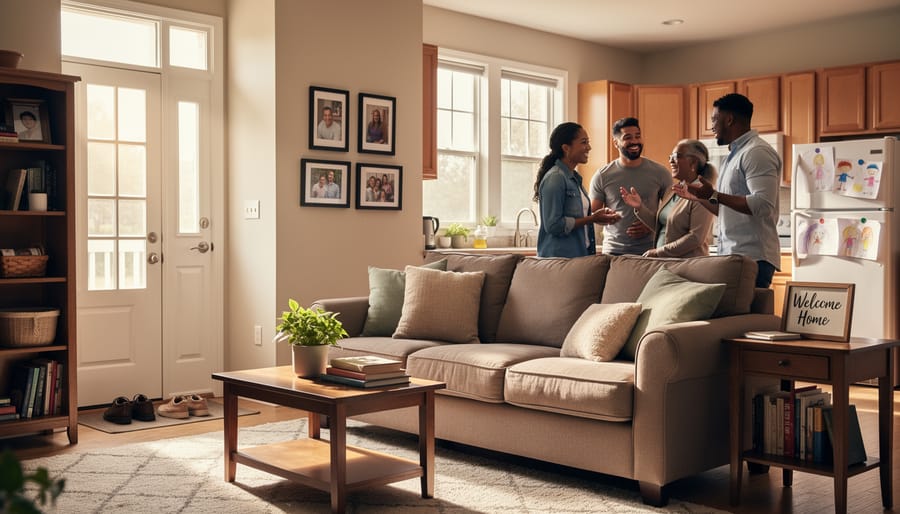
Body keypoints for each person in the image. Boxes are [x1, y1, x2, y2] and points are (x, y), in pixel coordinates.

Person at [674, 93, 781, 287]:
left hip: (752, 258)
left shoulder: (756, 152)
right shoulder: (734, 155)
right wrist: (700, 198)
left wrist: (714, 195)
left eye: (714, 119)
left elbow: (763, 205)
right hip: (734, 255)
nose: (712, 126)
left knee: (744, 309)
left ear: (729, 119)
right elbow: (726, 211)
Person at [534, 122, 621, 258]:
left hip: (578, 256)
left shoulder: (574, 178)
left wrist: (595, 217)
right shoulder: (555, 178)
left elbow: (576, 218)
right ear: (566, 148)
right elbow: (553, 225)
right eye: (584, 142)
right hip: (559, 261)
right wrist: (592, 218)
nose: (589, 147)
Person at [620, 139, 716, 257]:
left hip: (688, 264)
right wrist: (640, 207)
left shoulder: (702, 193)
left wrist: (659, 252)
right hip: (666, 262)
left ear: (693, 162)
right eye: (670, 156)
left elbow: (695, 238)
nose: (670, 160)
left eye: (676, 156)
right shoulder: (672, 190)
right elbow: (664, 228)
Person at [589, 117, 672, 255]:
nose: (634, 141)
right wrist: (608, 218)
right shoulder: (602, 175)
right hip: (614, 251)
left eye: (637, 136)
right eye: (627, 137)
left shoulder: (660, 173)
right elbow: (593, 215)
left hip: (652, 251)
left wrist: (652, 224)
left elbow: (673, 211)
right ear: (616, 143)